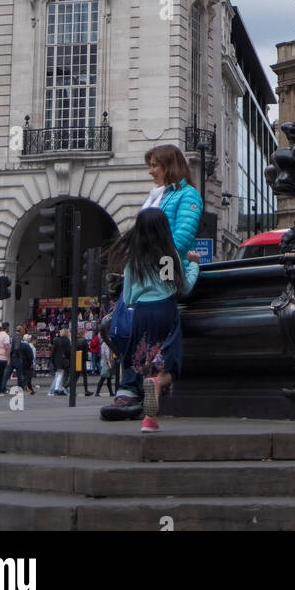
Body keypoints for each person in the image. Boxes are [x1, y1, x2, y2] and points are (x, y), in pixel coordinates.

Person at [100, 144, 203, 422]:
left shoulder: (187, 195)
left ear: (170, 166)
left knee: (136, 335)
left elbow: (181, 236)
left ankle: (132, 390)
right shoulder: (155, 196)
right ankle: (140, 390)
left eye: (155, 165)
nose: (151, 170)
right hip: (162, 282)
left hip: (161, 272)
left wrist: (152, 262)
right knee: (120, 329)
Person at [103, 208, 196, 432]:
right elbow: (183, 287)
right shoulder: (168, 255)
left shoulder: (134, 260)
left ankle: (149, 419)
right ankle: (157, 385)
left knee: (142, 361)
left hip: (142, 313)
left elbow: (131, 296)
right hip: (166, 310)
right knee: (169, 364)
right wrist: (194, 264)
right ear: (164, 229)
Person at [2, 325, 26, 393]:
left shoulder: (12, 336)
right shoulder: (18, 337)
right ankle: (20, 388)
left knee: (7, 374)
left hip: (11, 357)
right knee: (19, 374)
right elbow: (17, 347)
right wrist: (19, 356)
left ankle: (3, 387)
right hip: (16, 358)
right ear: (21, 330)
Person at [49, 329, 70, 395]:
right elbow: (68, 351)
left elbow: (54, 351)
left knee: (59, 374)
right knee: (61, 374)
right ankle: (57, 389)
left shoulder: (57, 340)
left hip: (57, 359)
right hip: (63, 360)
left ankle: (58, 388)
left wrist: (52, 359)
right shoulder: (67, 340)